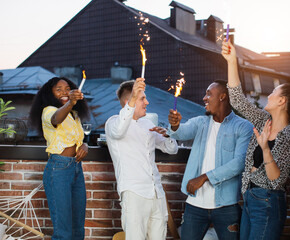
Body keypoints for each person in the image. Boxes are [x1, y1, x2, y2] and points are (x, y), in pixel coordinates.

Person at [221, 40, 290, 240]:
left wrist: (265, 149)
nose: (269, 95)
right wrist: (231, 61)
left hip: (268, 202)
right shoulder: (265, 121)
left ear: (282, 101)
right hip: (249, 199)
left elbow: (276, 180)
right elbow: (238, 101)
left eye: (274, 92)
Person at [167, 80, 253, 240]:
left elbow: (239, 163)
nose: (204, 98)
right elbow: (181, 133)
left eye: (209, 94)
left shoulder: (243, 127)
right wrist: (175, 125)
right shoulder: (200, 122)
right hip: (195, 204)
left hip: (226, 206)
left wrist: (204, 177)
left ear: (222, 97)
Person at [105, 78, 178, 240]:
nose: (147, 102)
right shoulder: (112, 123)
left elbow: (172, 149)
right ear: (128, 101)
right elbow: (118, 131)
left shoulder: (147, 124)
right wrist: (133, 98)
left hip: (156, 193)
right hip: (134, 193)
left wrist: (169, 133)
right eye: (142, 98)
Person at [29, 77, 90, 240]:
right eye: (59, 89)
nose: (64, 92)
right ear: (50, 94)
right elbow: (56, 119)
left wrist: (85, 146)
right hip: (59, 170)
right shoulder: (48, 110)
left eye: (67, 88)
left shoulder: (74, 114)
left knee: (78, 228)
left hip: (76, 168)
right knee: (63, 232)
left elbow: (79, 139)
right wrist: (70, 102)